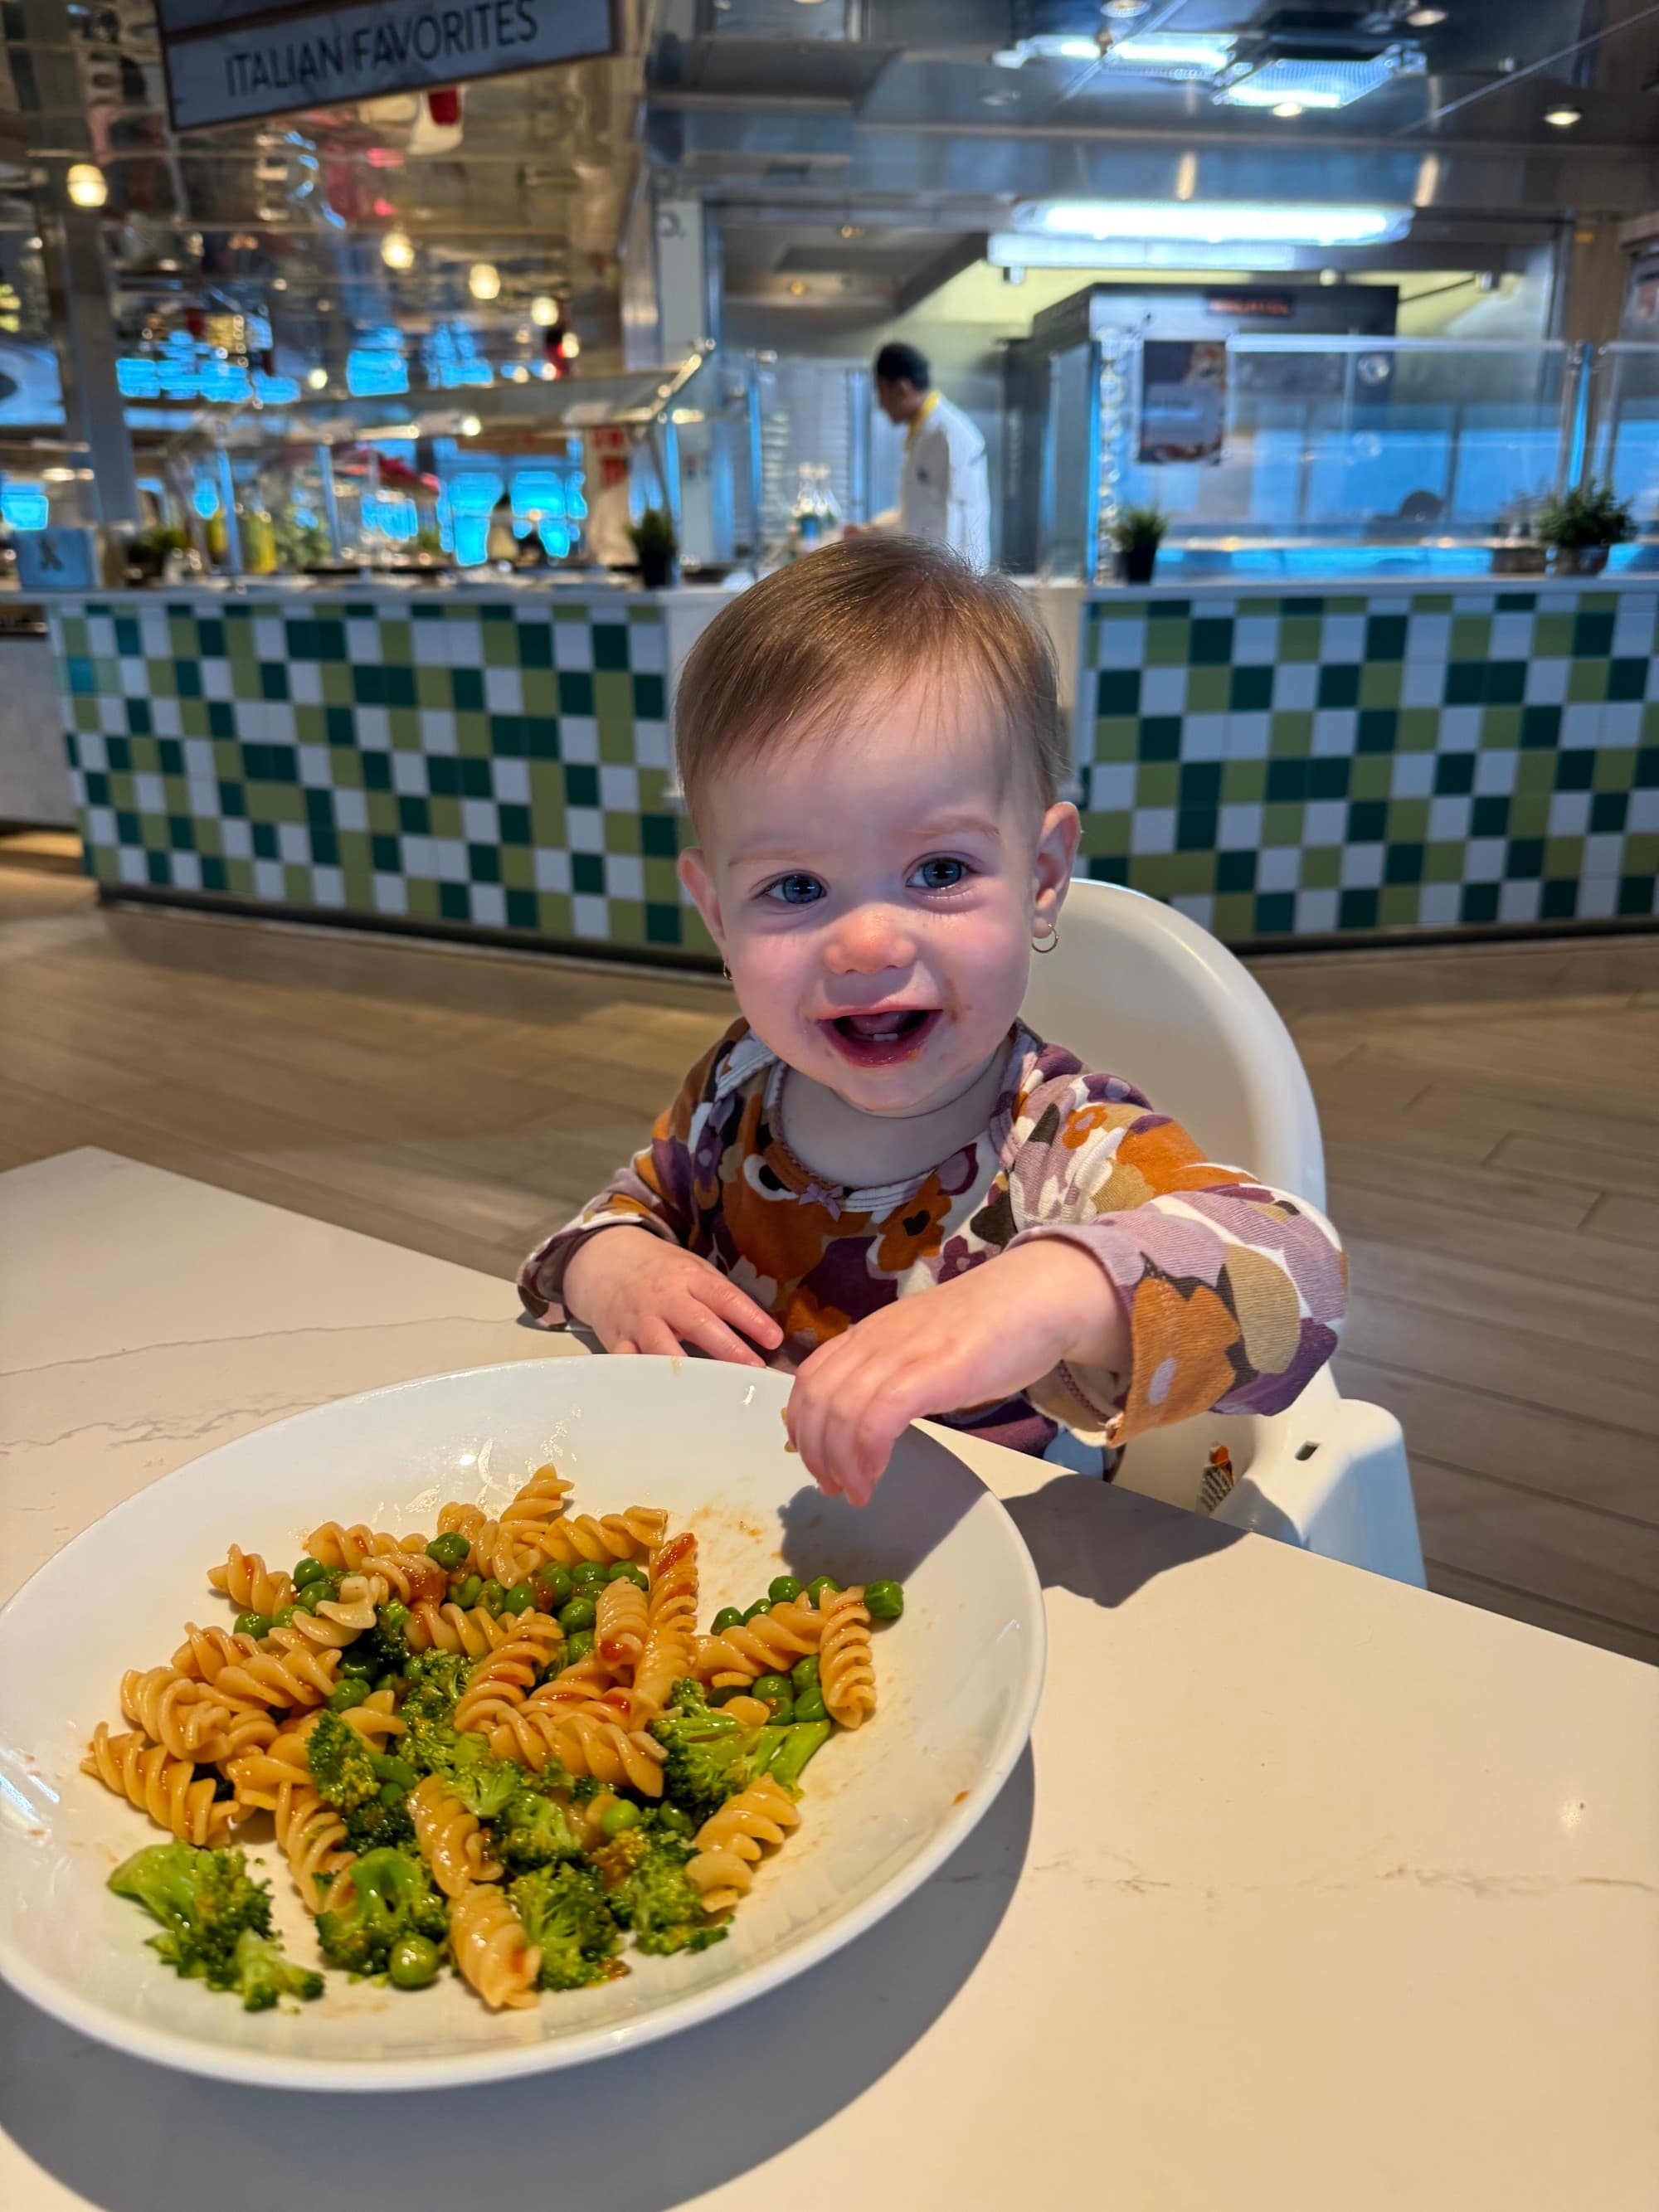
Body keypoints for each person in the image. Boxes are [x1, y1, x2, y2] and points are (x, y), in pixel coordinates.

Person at [518, 537, 1344, 1504]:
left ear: (1041, 878)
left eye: (939, 872)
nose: (866, 942)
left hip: (991, 1569)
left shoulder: (1060, 1144)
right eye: (795, 887)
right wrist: (611, 1266)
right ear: (716, 914)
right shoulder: (733, 1087)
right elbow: (620, 1209)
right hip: (726, 1522)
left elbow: (1301, 1280)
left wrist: (1049, 1294)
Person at [862, 341, 991, 567]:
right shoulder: (923, 434)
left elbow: (958, 518)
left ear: (902, 388)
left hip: (951, 580)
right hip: (929, 573)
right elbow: (918, 511)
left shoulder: (949, 436)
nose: (881, 404)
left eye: (881, 392)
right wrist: (874, 530)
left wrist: (950, 591)